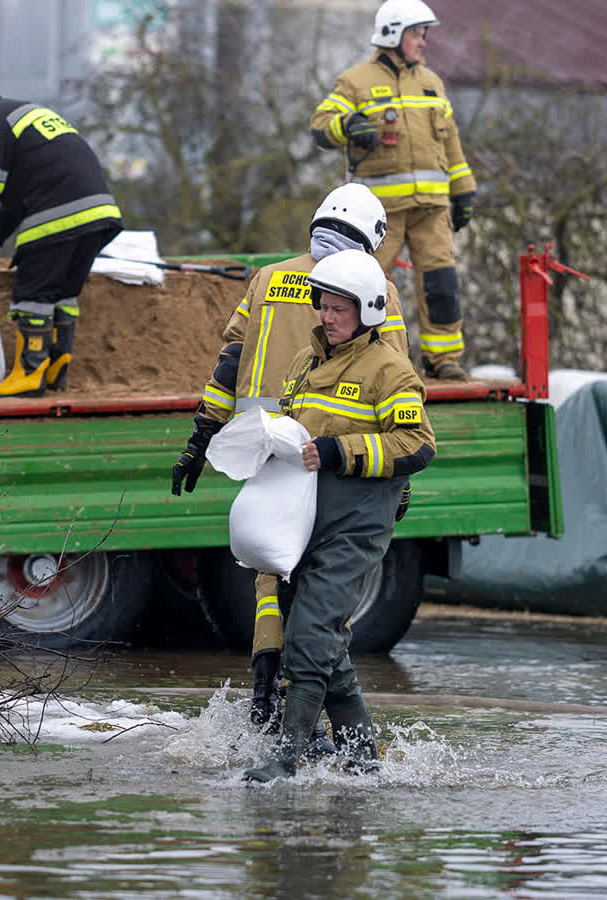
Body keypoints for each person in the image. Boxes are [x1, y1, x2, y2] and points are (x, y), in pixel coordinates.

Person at [171, 183, 410, 734]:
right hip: (330, 460)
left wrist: (201, 436)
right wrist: (397, 476)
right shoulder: (374, 292)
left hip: (267, 450)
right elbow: (394, 375)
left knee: (271, 571)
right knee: (320, 585)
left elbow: (229, 361)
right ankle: (315, 725)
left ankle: (265, 689)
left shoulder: (267, 278)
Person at [242, 249, 436, 783]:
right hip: (303, 524)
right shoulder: (304, 364)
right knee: (325, 645)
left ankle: (288, 758)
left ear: (367, 310)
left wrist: (338, 451)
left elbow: (417, 445)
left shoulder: (390, 371)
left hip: (356, 528)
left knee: (309, 634)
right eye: (323, 306)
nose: (326, 317)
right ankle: (362, 759)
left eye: (338, 309)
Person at [308, 0, 477, 381]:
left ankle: (443, 358)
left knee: (441, 283)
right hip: (380, 213)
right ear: (392, 34)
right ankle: (376, 357)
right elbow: (320, 125)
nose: (423, 42)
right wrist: (348, 124)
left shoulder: (432, 83)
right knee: (373, 286)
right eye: (416, 34)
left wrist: (464, 190)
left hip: (432, 207)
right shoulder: (356, 81)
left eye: (423, 35)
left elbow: (451, 142)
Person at [0, 75, 122, 397]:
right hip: (98, 213)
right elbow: (15, 198)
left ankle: (28, 375)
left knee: (34, 292)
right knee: (63, 293)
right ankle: (55, 368)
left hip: (58, 212)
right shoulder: (14, 114)